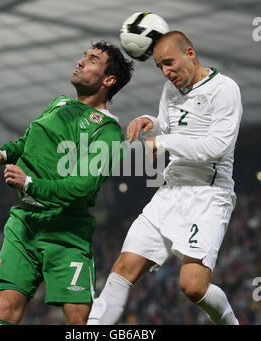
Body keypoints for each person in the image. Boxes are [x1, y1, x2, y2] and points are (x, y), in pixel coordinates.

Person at [87, 31, 243, 325]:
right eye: (160, 66)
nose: (166, 72)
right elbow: (171, 129)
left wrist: (162, 143)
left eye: (170, 63)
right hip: (170, 192)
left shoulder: (225, 90)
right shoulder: (170, 90)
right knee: (123, 268)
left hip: (208, 195)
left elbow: (217, 147)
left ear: (190, 54)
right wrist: (154, 124)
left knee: (193, 287)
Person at [0, 41, 134, 325]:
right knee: (5, 308)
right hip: (24, 223)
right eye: (83, 56)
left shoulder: (107, 132)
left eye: (93, 59)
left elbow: (82, 187)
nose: (81, 61)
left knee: (77, 320)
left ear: (108, 80)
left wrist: (29, 184)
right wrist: (2, 153)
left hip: (66, 232)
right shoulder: (60, 103)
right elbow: (26, 141)